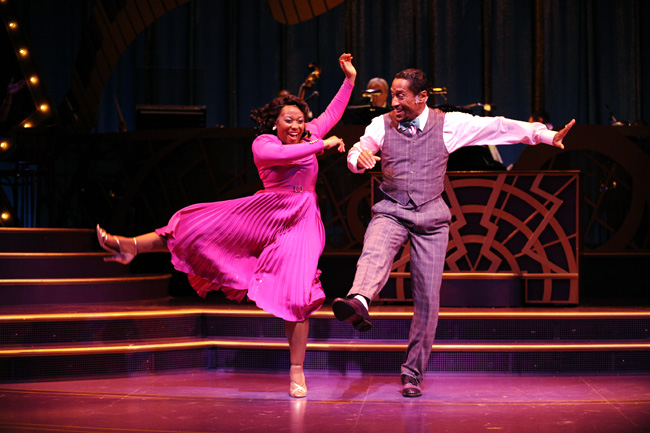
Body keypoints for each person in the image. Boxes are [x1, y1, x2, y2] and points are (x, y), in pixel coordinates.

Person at [97, 53, 357, 398]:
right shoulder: (265, 144)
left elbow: (333, 113)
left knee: (298, 291)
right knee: (195, 227)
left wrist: (350, 79)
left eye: (300, 120)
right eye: (288, 120)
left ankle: (296, 370)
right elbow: (282, 158)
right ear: (275, 124)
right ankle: (130, 245)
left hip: (303, 219)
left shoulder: (310, 136)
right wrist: (322, 145)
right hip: (266, 212)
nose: (296, 126)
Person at [332, 68, 574, 398]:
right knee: (375, 248)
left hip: (431, 218)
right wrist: (357, 158)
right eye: (393, 96)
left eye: (401, 95)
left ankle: (412, 372)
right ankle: (359, 299)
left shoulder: (449, 124)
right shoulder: (381, 124)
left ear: (422, 97)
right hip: (392, 208)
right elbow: (359, 151)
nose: (394, 102)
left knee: (428, 299)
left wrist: (543, 135)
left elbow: (498, 127)